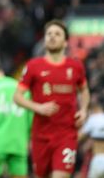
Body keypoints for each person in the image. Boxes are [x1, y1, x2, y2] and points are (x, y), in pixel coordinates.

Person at [13, 19, 90, 178]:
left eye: (57, 34)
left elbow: (84, 90)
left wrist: (83, 110)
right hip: (41, 135)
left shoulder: (75, 66)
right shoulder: (34, 66)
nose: (52, 37)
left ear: (65, 42)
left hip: (66, 134)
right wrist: (38, 107)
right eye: (49, 34)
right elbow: (17, 97)